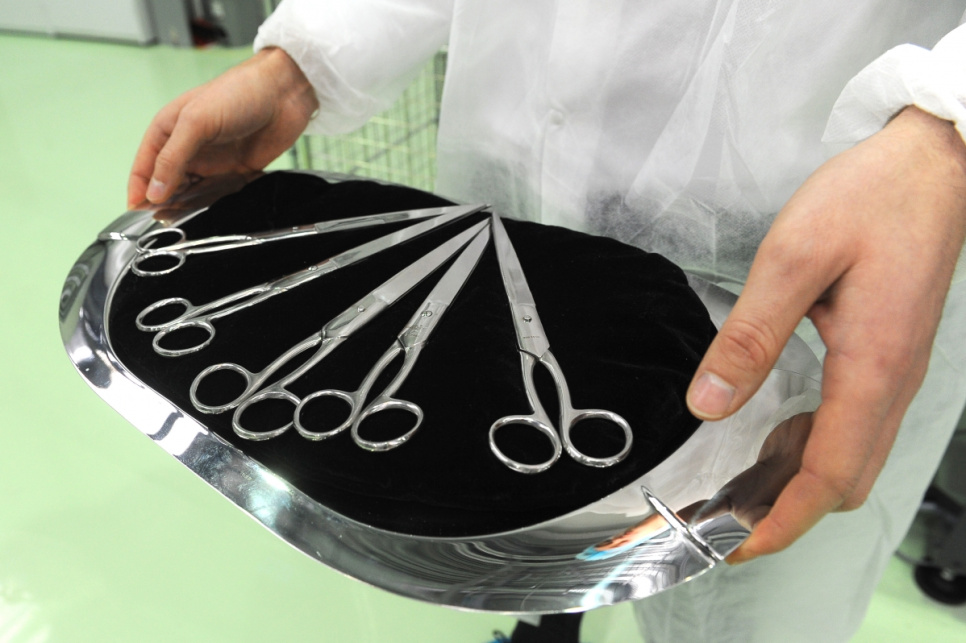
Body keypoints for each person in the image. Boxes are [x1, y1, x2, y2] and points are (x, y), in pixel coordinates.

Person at [128, 1, 966, 640]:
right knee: (510, 511)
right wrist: (309, 58)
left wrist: (944, 139)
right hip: (512, 224)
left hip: (817, 259)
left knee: (750, 606)